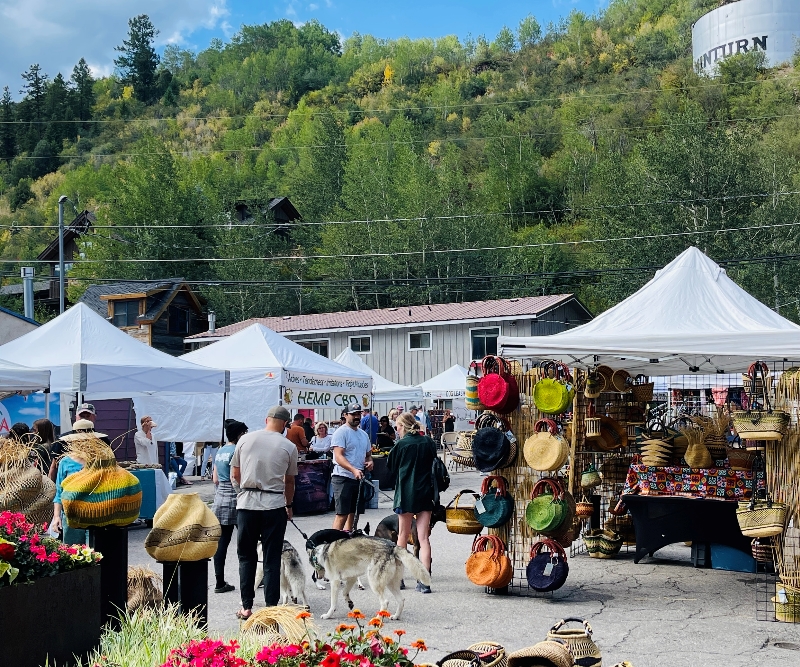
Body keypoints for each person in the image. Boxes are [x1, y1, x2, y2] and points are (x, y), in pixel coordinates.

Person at [231, 405, 297, 620]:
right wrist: (289, 504)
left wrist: (243, 491)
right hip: (274, 504)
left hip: (247, 504)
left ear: (266, 419)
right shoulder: (288, 446)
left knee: (246, 557)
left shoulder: (245, 439)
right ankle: (270, 607)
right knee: (271, 558)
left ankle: (247, 606)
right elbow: (289, 481)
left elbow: (235, 473)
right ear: (285, 424)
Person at [387, 411, 437, 594]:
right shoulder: (428, 442)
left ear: (404, 426)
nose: (397, 429)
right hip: (425, 493)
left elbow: (391, 467)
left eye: (398, 426)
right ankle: (425, 581)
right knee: (423, 538)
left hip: (406, 493)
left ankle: (398, 578)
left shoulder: (401, 444)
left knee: (402, 536)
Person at [212, 419, 248, 594]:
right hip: (237, 499)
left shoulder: (220, 451)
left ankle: (219, 582)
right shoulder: (237, 450)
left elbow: (215, 479)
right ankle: (250, 580)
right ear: (240, 434)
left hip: (220, 500)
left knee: (222, 543)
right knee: (247, 543)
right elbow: (237, 477)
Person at [330, 403, 373, 531]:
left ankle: (349, 539)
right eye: (353, 414)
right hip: (342, 477)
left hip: (358, 478)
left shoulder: (363, 434)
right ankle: (333, 543)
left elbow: (368, 455)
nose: (356, 417)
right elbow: (339, 456)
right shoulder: (341, 432)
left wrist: (370, 462)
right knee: (342, 514)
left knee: (354, 514)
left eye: (358, 414)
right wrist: (353, 469)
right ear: (345, 415)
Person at [48, 404, 109, 481]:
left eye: (87, 416)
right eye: (82, 416)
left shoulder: (102, 439)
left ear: (94, 417)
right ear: (76, 417)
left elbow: (111, 463)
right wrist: (51, 486)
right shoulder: (63, 439)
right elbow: (54, 465)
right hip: (69, 485)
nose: (84, 419)